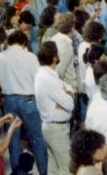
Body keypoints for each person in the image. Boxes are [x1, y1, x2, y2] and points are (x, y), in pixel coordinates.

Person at [0, 30, 46, 175]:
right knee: (37, 139)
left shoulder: (0, 57)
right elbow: (38, 81)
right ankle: (44, 171)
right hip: (29, 100)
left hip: (9, 100)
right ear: (24, 43)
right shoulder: (31, 57)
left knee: (13, 140)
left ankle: (18, 172)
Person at [34, 41, 73, 175]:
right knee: (66, 168)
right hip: (57, 129)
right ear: (54, 57)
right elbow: (70, 103)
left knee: (53, 168)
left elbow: (69, 89)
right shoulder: (48, 78)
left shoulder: (45, 73)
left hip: (50, 127)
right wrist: (67, 95)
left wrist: (67, 93)